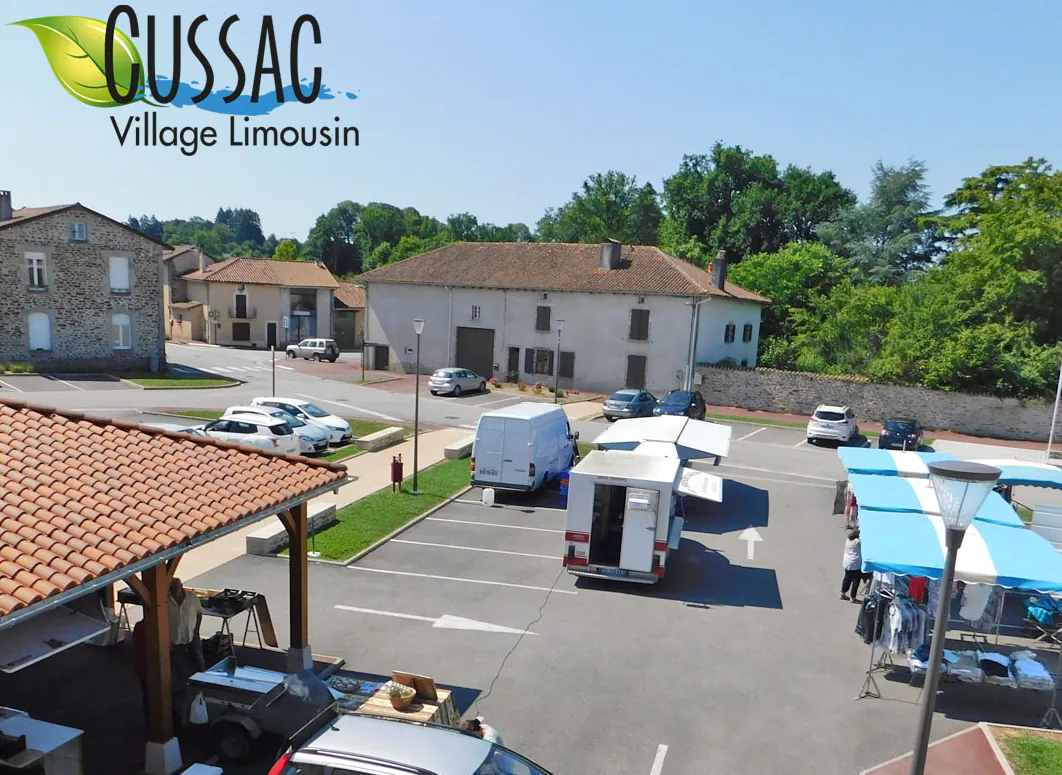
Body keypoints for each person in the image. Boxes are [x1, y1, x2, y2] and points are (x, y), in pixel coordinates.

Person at [841, 528, 863, 602]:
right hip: (855, 564)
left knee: (847, 578)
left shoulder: (848, 540)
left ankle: (843, 592)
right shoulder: (857, 542)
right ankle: (852, 597)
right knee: (856, 580)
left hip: (847, 562)